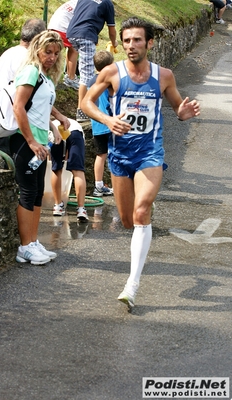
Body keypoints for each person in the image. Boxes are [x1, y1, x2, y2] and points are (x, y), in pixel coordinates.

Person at [81, 17, 200, 308]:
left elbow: (177, 108)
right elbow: (86, 102)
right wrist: (108, 120)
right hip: (120, 155)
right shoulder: (111, 72)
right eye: (126, 41)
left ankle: (132, 285)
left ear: (150, 43)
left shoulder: (164, 76)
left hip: (150, 153)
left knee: (141, 212)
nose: (131, 46)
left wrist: (183, 112)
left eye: (136, 40)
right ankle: (143, 210)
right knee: (126, 220)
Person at [10, 30, 65, 265]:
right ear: (37, 50)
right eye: (47, 52)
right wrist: (31, 141)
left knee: (36, 194)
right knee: (27, 192)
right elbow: (19, 107)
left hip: (40, 142)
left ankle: (32, 242)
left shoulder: (45, 76)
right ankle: (24, 247)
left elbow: (40, 108)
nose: (51, 57)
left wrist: (53, 127)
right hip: (24, 141)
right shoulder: (31, 71)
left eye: (55, 53)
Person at [0, 18, 46, 155]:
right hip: (6, 120)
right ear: (39, 38)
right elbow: (23, 98)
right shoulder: (27, 60)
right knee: (9, 166)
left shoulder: (9, 52)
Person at [66, 0, 118, 122]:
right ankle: (82, 110)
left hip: (71, 32)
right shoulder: (107, 3)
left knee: (77, 58)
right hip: (86, 35)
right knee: (87, 75)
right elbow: (111, 30)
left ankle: (69, 77)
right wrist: (114, 42)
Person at [51, 118, 89, 222]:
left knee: (56, 169)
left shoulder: (52, 123)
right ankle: (81, 209)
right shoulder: (76, 125)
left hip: (55, 132)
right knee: (78, 171)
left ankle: (58, 206)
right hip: (75, 134)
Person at [87, 50, 114, 197]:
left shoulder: (91, 81)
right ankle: (117, 183)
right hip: (108, 121)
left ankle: (98, 185)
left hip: (96, 122)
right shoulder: (107, 81)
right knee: (112, 154)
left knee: (100, 154)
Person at [48, 0, 79, 90]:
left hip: (53, 25)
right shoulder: (87, 4)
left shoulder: (75, 2)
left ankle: (68, 76)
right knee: (74, 50)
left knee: (54, 51)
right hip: (62, 27)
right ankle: (71, 78)